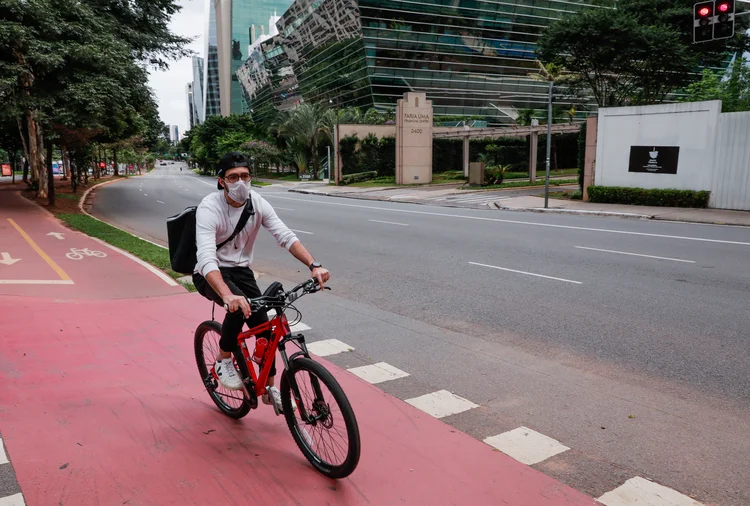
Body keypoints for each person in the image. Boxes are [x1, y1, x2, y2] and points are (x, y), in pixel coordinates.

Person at [192, 152, 330, 415]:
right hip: (210, 272)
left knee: (266, 332)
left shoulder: (257, 203)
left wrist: (314, 265)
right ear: (222, 181)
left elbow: (285, 236)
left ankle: (268, 388)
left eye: (245, 176)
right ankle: (223, 359)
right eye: (233, 177)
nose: (240, 182)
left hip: (242, 272)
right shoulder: (209, 207)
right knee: (238, 304)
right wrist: (228, 295)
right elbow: (207, 257)